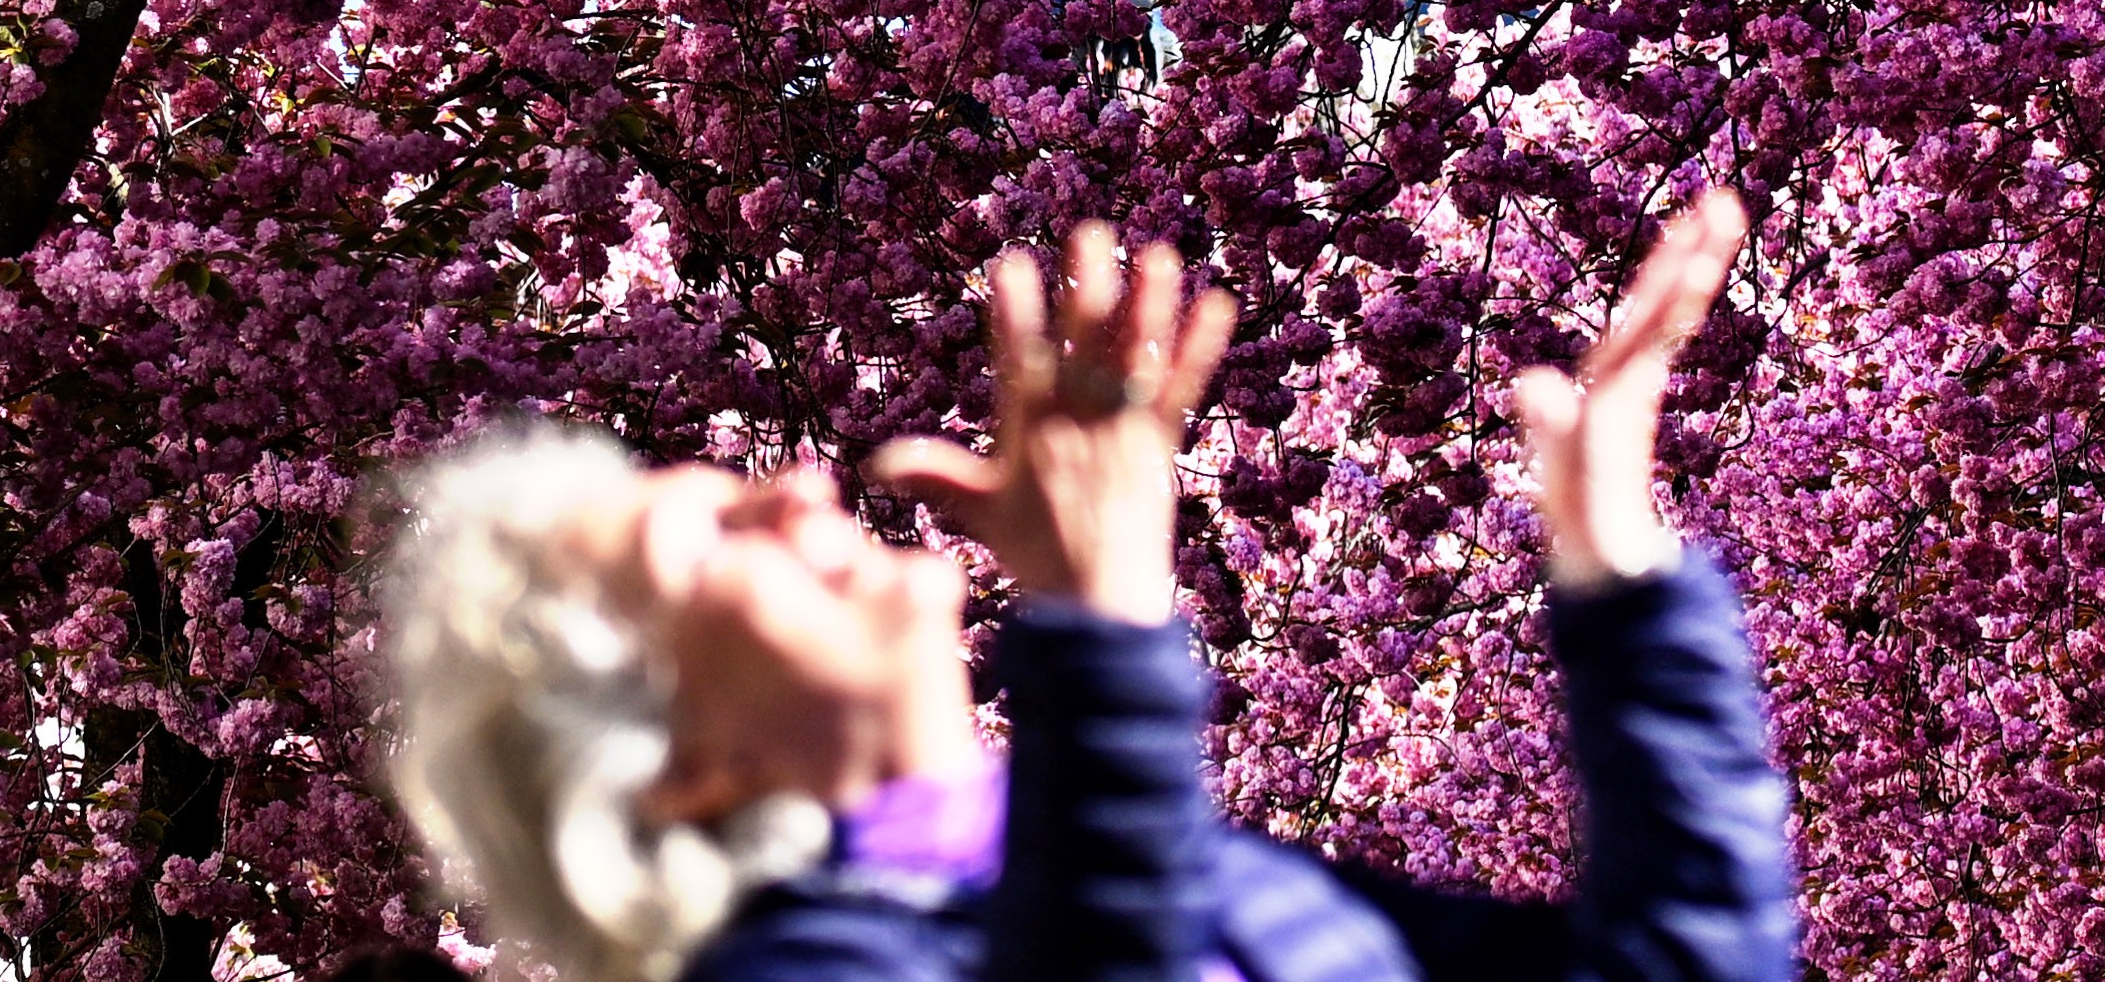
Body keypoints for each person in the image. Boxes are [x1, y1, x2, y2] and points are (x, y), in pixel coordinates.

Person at [379, 194, 1791, 982]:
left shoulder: (1218, 875)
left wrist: (1622, 575)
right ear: (679, 767)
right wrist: (1104, 637)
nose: (794, 486)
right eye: (715, 541)